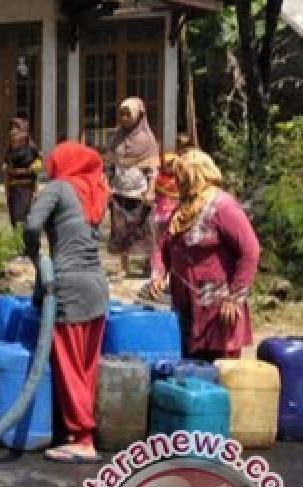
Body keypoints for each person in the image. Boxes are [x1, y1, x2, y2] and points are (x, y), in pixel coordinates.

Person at [24, 142, 110, 463]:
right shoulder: (94, 192)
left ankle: (82, 439)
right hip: (98, 287)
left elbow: (32, 225)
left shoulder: (58, 188)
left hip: (70, 286)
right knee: (87, 365)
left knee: (69, 364)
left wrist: (35, 256)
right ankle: (83, 432)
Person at [149, 149, 260, 360]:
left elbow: (250, 250)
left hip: (217, 310)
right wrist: (158, 273)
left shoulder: (223, 206)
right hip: (186, 306)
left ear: (195, 176)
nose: (177, 183)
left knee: (218, 373)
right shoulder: (183, 208)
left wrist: (235, 298)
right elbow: (163, 245)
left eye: (182, 178)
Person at [106, 97, 160, 276]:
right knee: (121, 229)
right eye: (122, 113)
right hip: (120, 190)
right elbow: (110, 165)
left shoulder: (148, 140)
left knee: (145, 229)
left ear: (139, 115)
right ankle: (123, 267)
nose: (125, 117)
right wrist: (107, 184)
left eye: (129, 114)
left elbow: (152, 169)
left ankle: (148, 265)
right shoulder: (116, 138)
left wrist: (151, 190)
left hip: (140, 192)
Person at [3, 117, 42, 227]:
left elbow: (36, 171)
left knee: (26, 218)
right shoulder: (10, 149)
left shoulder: (31, 149)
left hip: (26, 189)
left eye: (16, 128)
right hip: (13, 189)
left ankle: (28, 243)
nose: (13, 131)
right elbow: (6, 170)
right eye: (11, 128)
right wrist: (6, 189)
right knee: (15, 219)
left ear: (24, 132)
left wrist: (36, 191)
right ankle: (18, 242)